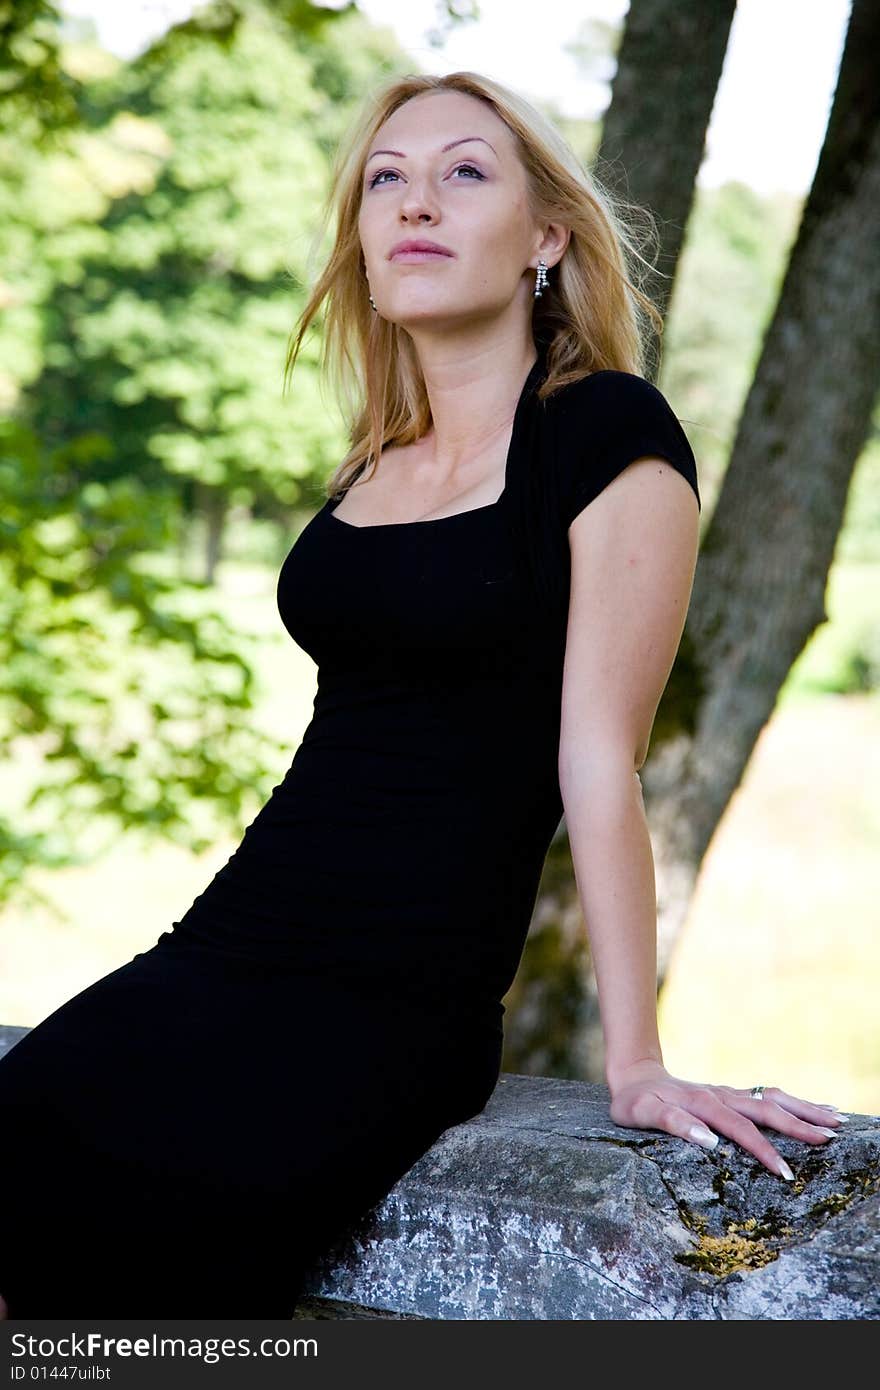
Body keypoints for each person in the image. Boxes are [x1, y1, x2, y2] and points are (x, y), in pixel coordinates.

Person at [0, 71, 845, 1320]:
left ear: (545, 237)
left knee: (150, 1282)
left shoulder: (608, 434)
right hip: (221, 950)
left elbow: (596, 765)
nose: (414, 203)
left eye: (464, 173)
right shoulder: (375, 458)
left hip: (391, 1002)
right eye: (384, 180)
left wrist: (638, 1061)